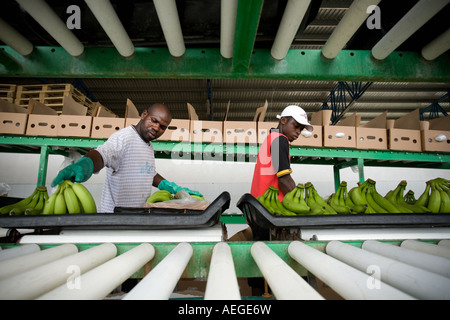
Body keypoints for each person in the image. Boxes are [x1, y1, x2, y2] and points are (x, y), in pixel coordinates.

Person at [51, 103, 202, 213]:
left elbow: (146, 171)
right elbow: (103, 154)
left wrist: (170, 186)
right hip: (115, 218)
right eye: (154, 121)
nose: (156, 128)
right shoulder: (124, 138)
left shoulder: (147, 145)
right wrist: (86, 165)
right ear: (144, 115)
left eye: (163, 127)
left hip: (134, 216)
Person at [249, 105, 313, 240]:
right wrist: (301, 205)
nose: (298, 132)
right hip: (272, 212)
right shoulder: (279, 140)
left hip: (259, 209)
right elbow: (284, 179)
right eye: (296, 126)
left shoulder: (271, 139)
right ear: (283, 120)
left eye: (301, 129)